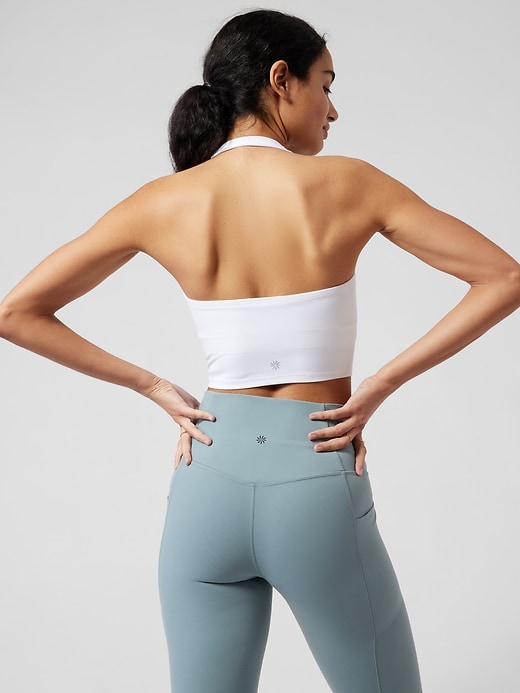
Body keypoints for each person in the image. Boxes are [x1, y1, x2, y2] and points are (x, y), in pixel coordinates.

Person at [0, 8, 519, 693]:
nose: (332, 109)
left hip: (206, 480)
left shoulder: (160, 202)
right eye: (325, 85)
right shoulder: (349, 184)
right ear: (281, 79)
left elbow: (15, 312)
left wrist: (152, 385)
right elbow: (505, 277)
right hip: (314, 470)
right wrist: (381, 383)